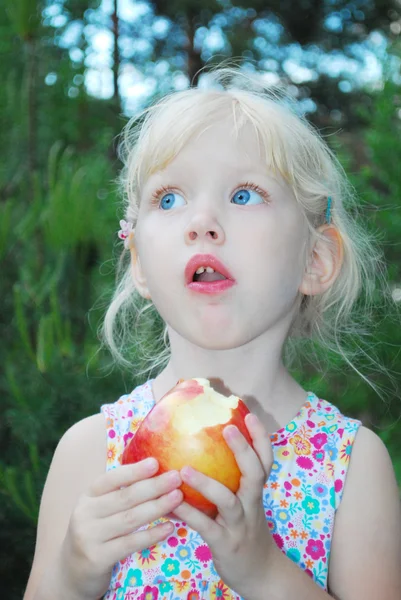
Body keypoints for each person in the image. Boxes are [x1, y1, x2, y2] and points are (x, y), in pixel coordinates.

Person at [24, 67, 401, 600]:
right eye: (170, 198)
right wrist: (74, 570)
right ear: (139, 265)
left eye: (245, 194)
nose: (201, 221)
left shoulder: (351, 464)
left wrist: (264, 572)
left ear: (315, 260)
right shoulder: (92, 452)